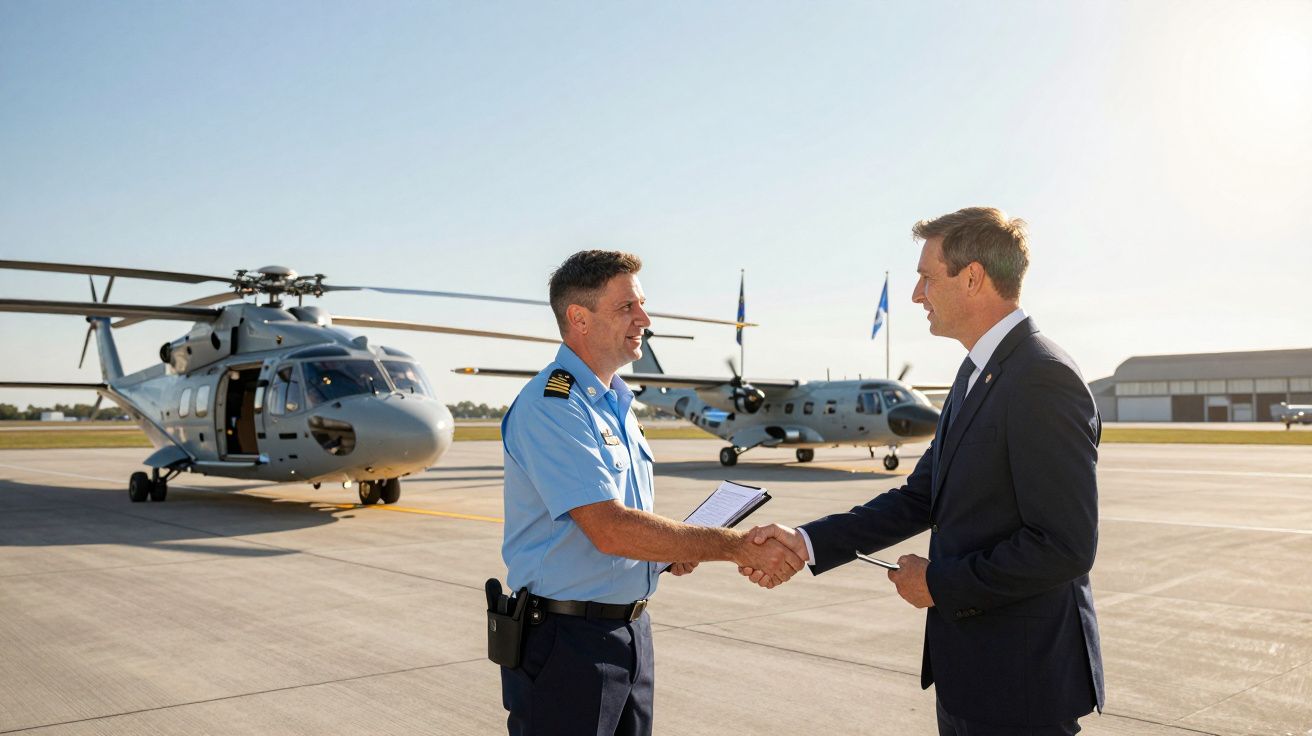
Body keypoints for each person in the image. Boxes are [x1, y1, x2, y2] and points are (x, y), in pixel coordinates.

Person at [745, 207, 1105, 734]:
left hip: (1022, 683)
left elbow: (1065, 546)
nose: (918, 294)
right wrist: (806, 541)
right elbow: (921, 497)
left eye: (927, 277)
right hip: (972, 676)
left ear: (974, 277)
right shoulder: (976, 372)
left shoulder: (1040, 377)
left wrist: (939, 583)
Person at [499, 249, 804, 736]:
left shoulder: (617, 401)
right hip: (566, 642)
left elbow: (622, 530)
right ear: (579, 317)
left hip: (629, 632)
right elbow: (609, 528)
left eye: (642, 305)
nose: (645, 319)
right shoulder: (554, 404)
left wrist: (663, 553)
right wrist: (734, 546)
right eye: (627, 308)